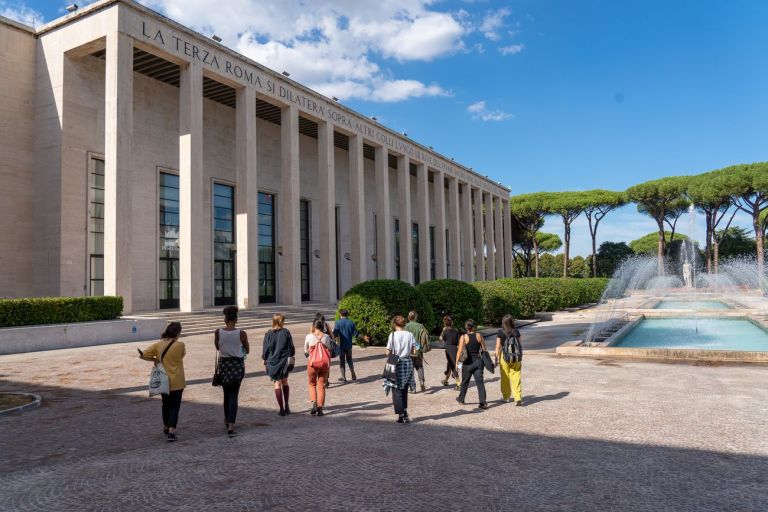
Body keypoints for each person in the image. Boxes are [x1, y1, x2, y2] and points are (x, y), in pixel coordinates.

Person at [139, 322, 186, 442]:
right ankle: (171, 431)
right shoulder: (180, 345)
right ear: (177, 333)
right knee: (175, 407)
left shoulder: (158, 345)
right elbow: (182, 356)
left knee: (165, 405)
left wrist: (155, 360)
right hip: (177, 381)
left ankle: (165, 426)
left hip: (163, 380)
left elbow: (143, 355)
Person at [215, 306, 249, 437]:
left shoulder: (218, 332)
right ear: (236, 319)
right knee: (234, 395)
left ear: (225, 319)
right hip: (237, 365)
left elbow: (218, 347)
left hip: (224, 365)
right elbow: (247, 349)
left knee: (226, 394)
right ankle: (231, 425)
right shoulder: (241, 333)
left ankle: (226, 419)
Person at [383, 315, 417, 423]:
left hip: (396, 363)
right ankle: (405, 412)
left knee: (396, 389)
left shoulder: (392, 335)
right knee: (405, 388)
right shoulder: (410, 335)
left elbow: (387, 352)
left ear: (394, 324)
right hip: (407, 363)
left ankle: (401, 415)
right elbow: (414, 351)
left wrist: (390, 351)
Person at [262, 312, 295, 416]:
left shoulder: (268, 334)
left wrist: (264, 359)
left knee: (277, 384)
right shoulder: (286, 332)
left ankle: (281, 409)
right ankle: (287, 406)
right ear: (282, 321)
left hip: (273, 362)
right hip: (284, 361)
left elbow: (265, 351)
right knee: (285, 382)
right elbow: (291, 348)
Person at [456, 319, 488, 409]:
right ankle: (483, 402)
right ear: (473, 327)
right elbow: (484, 349)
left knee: (465, 382)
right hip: (478, 362)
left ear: (466, 328)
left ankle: (461, 399)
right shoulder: (479, 335)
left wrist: (457, 363)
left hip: (467, 363)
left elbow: (459, 351)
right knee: (480, 382)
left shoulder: (463, 337)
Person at [304, 318, 333, 416]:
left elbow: (305, 350)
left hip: (313, 363)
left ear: (313, 326)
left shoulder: (309, 336)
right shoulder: (326, 337)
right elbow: (329, 348)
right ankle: (320, 408)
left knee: (312, 384)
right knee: (321, 385)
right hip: (324, 364)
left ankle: (314, 404)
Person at [495, 314, 523, 406]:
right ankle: (517, 397)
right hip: (516, 357)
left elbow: (498, 346)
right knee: (516, 376)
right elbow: (519, 344)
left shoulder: (500, 332)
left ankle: (506, 397)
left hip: (504, 357)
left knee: (505, 377)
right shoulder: (516, 331)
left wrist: (496, 358)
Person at [332, 309, 367, 382]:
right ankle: (352, 371)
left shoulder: (338, 323)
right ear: (347, 314)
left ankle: (343, 377)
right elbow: (356, 334)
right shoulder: (351, 322)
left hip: (341, 345)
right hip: (349, 345)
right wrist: (363, 337)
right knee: (349, 359)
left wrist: (331, 336)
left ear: (340, 314)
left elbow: (335, 334)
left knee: (342, 361)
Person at [405, 310, 429, 392]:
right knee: (419, 367)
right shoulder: (420, 326)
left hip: (409, 351)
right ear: (416, 317)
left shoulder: (406, 326)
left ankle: (412, 388)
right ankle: (422, 382)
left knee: (410, 369)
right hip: (418, 350)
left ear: (408, 317)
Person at [439, 315, 460, 389]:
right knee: (450, 364)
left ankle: (458, 384)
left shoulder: (445, 331)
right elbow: (458, 341)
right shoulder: (456, 330)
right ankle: (446, 380)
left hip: (448, 349)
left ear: (445, 323)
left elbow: (440, 339)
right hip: (455, 349)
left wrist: (443, 330)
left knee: (452, 365)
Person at [313, 312, 333, 386]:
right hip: (326, 348)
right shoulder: (327, 325)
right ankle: (326, 380)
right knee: (327, 365)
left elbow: (311, 335)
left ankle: (320, 379)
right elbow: (332, 336)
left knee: (317, 364)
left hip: (316, 348)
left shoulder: (314, 326)